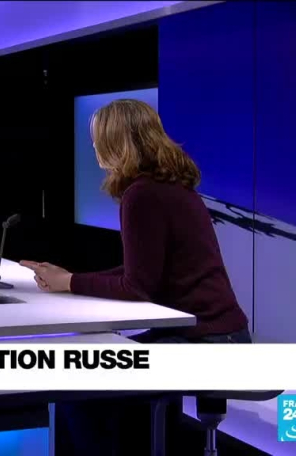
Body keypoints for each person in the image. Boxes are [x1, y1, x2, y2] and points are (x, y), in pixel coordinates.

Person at [21, 99, 250, 344]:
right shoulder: (168, 185)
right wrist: (69, 279)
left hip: (206, 337)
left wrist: (69, 282)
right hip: (216, 330)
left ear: (118, 142)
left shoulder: (142, 195)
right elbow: (143, 270)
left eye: (99, 137)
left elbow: (136, 287)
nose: (94, 144)